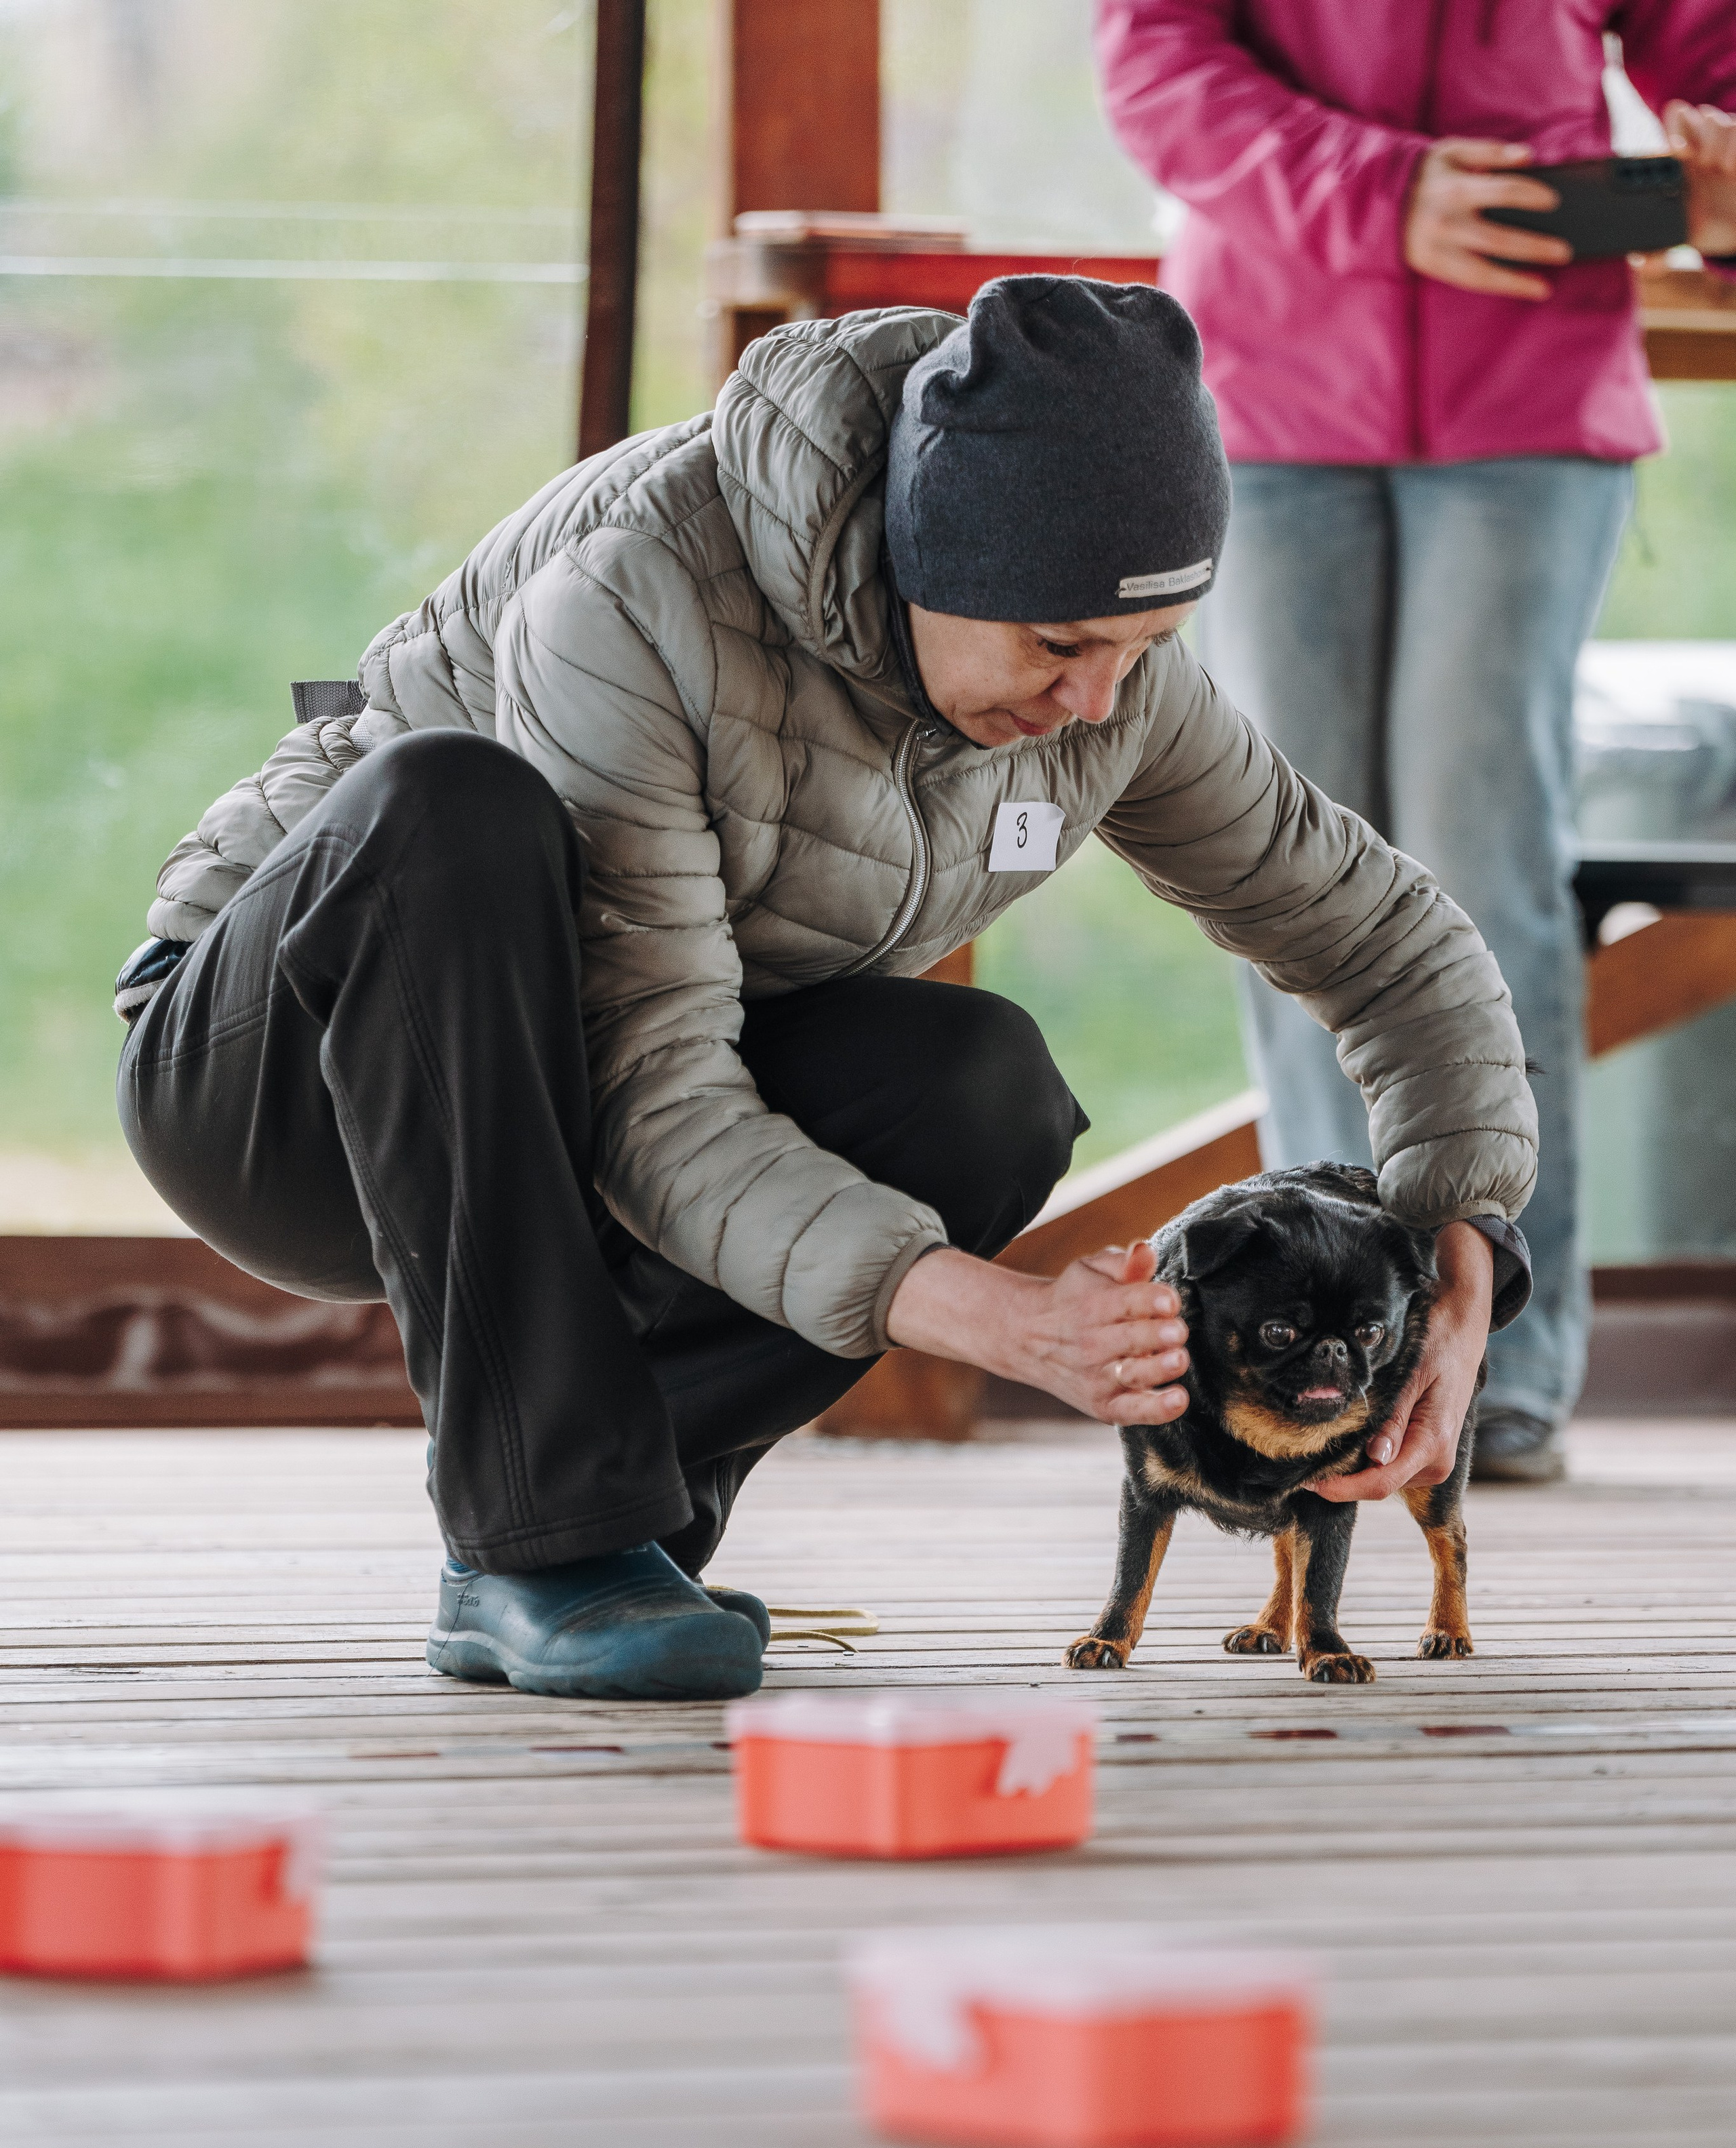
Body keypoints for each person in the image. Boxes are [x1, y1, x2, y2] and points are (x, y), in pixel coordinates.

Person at [113, 279, 1537, 1703]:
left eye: (1143, 650)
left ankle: (623, 1536)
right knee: (449, 803)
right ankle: (541, 1546)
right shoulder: (634, 589)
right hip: (284, 1079)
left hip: (576, 1092)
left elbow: (1384, 937)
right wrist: (993, 1320)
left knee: (977, 1086)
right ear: (927, 558)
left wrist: (1458, 1238)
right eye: (1055, 648)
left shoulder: (1104, 676)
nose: (1096, 704)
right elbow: (649, 1089)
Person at [1097, 1, 1736, 1481]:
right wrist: (1383, 201)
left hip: (1529, 396)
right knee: (1289, 887)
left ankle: (1494, 1346)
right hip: (1264, 385)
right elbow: (1156, 62)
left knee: (1483, 872)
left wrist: (1714, 182)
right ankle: (1328, 1334)